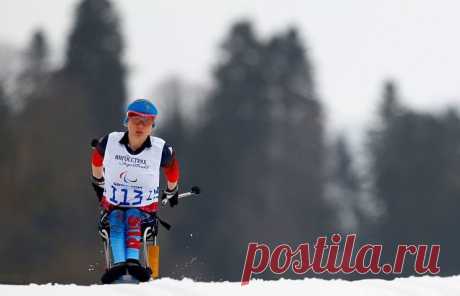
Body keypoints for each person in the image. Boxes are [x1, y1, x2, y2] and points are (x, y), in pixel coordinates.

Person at [90, 99, 180, 284]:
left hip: (144, 211)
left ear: (152, 126)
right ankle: (118, 266)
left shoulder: (160, 149)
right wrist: (98, 179)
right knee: (116, 218)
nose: (140, 126)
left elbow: (172, 168)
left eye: (146, 122)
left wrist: (172, 190)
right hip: (112, 208)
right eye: (136, 120)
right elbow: (97, 157)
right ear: (127, 122)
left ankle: (133, 262)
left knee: (132, 215)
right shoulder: (111, 141)